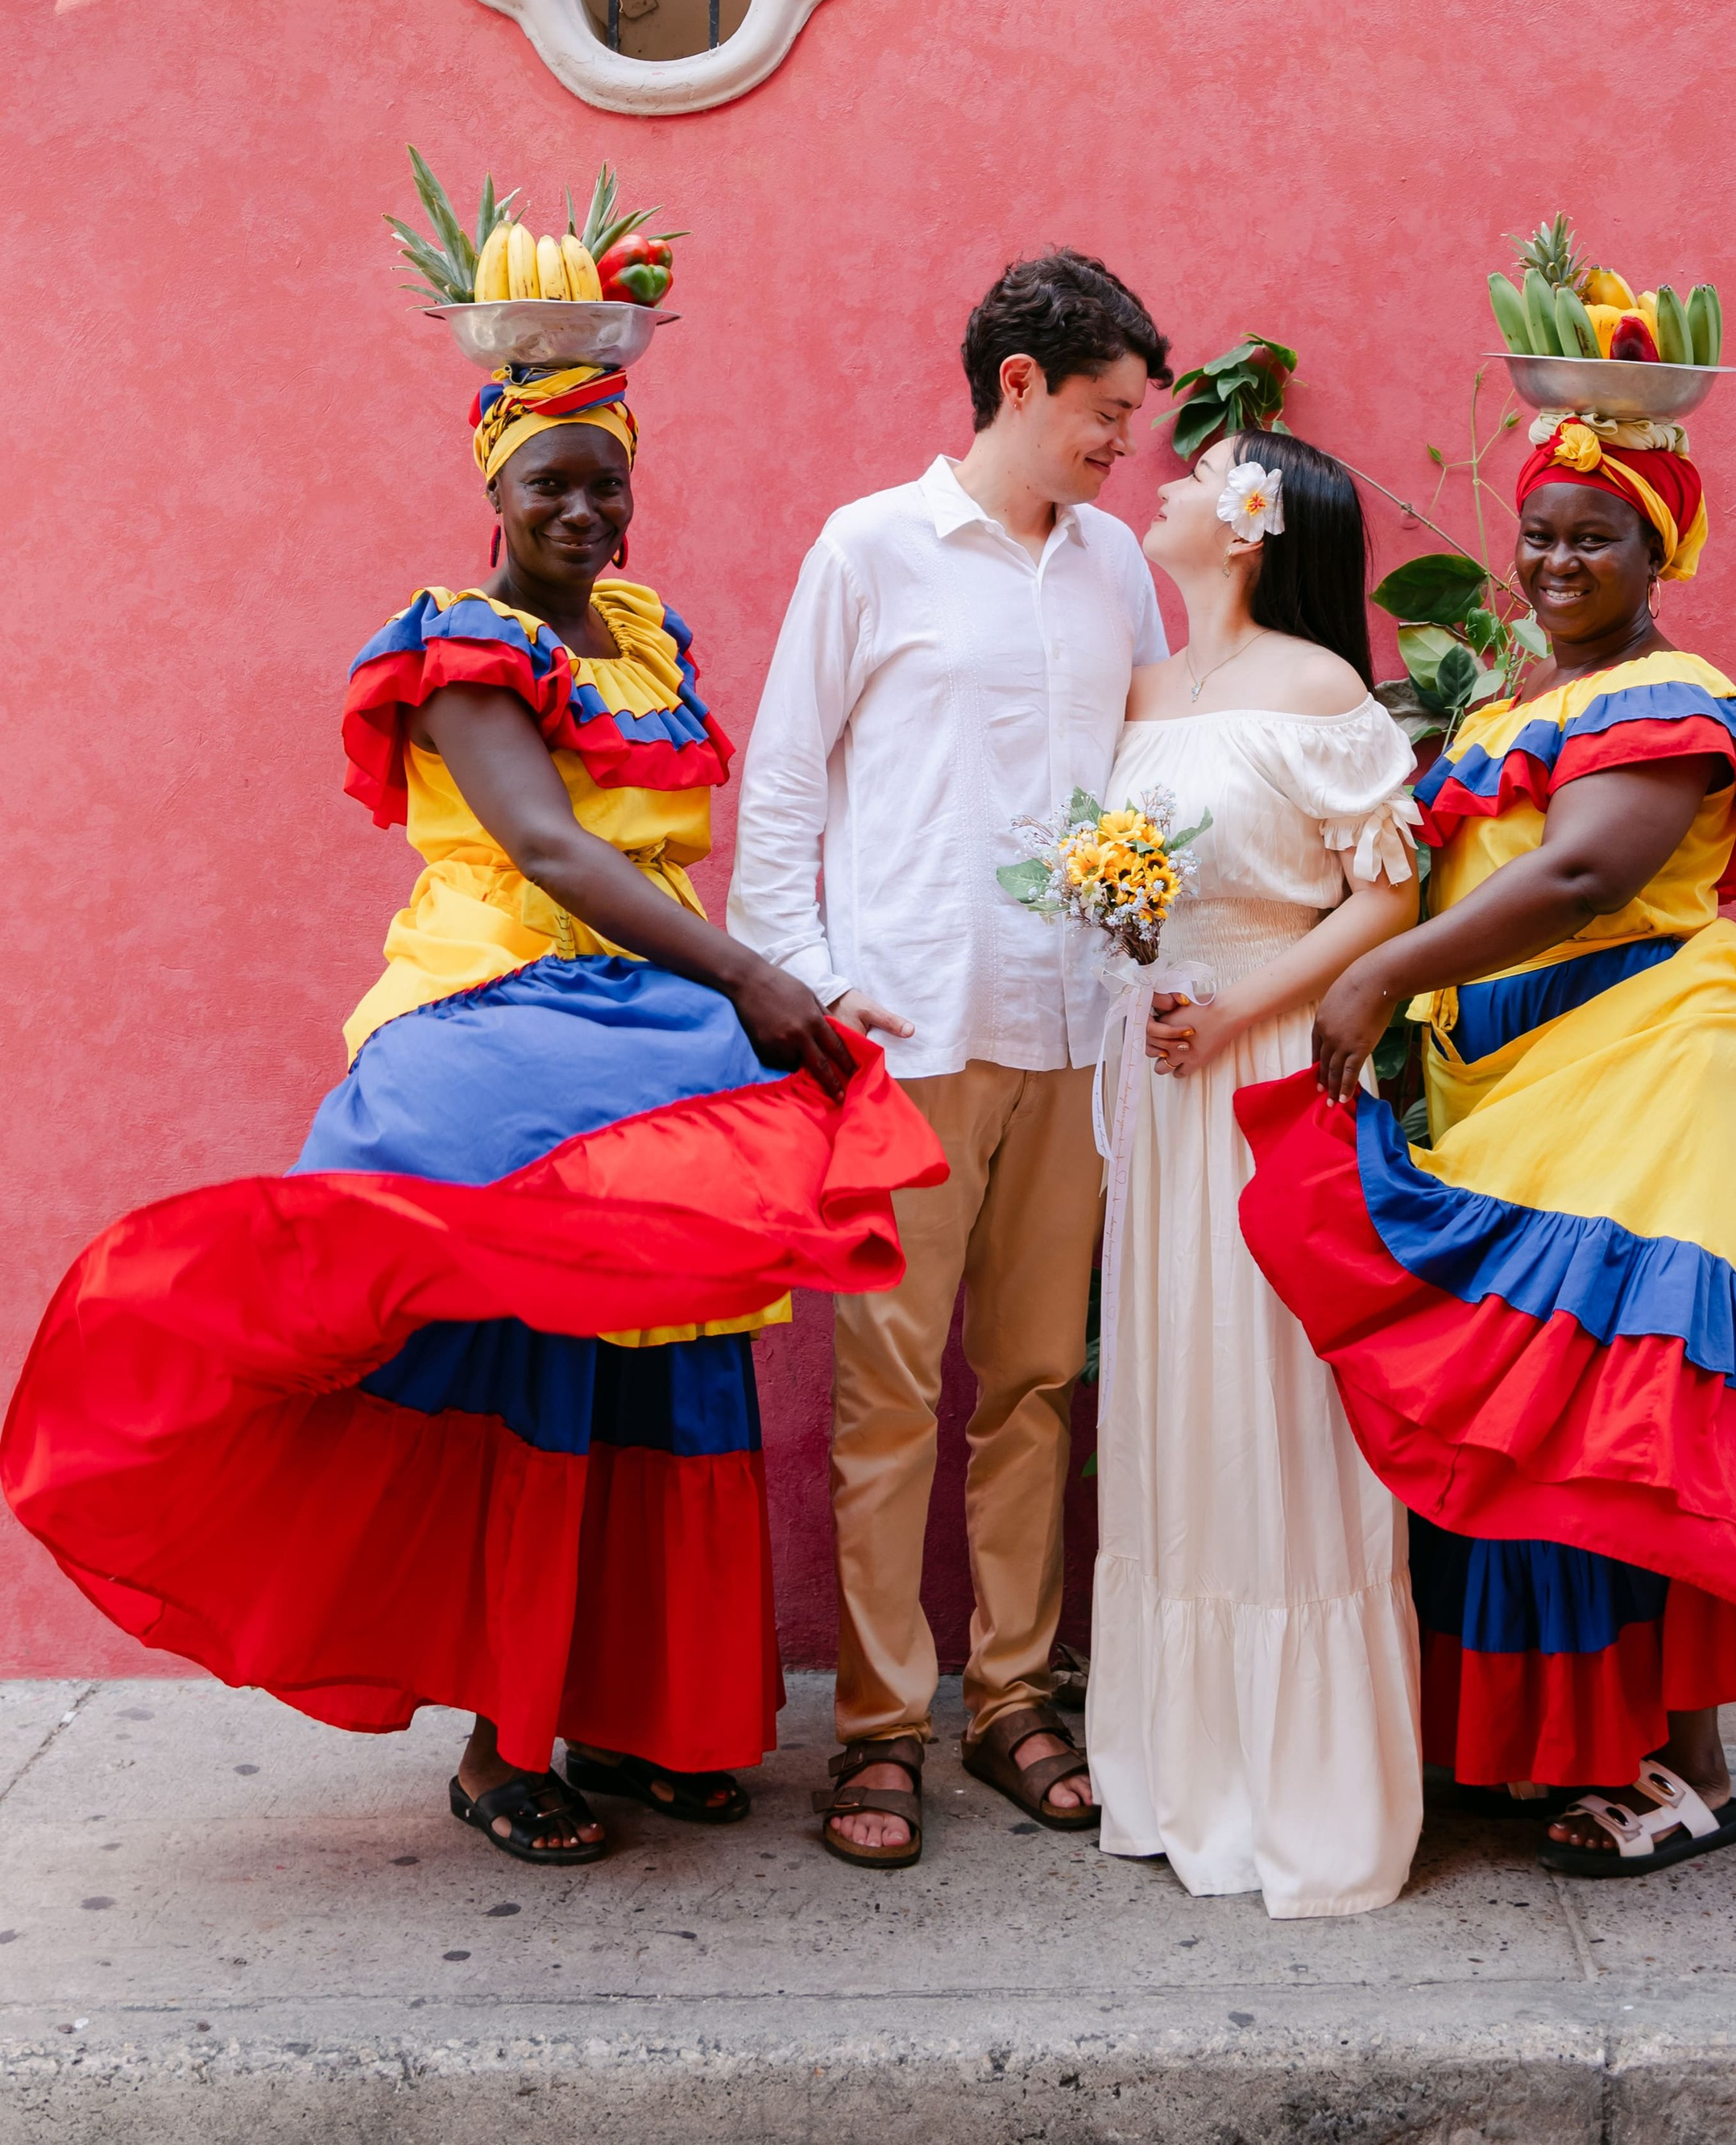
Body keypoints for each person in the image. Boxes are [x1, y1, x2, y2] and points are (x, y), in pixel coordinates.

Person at [2, 357, 943, 1868]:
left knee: (674, 1363)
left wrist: (742, 996)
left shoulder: (645, 638)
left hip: (663, 1022)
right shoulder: (456, 647)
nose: (581, 506)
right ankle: (503, 1742)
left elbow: (650, 854)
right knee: (539, 1368)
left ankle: (641, 1715)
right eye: (548, 481)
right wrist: (764, 982)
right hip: (505, 1017)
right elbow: (555, 851)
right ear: (492, 492)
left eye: (605, 479)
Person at [1237, 413, 1736, 1882]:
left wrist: (1379, 976)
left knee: (1638, 1427)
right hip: (1525, 1093)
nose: (1558, 558)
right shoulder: (1509, 709)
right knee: (1543, 1428)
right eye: (1543, 531)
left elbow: (1587, 872)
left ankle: (1693, 1772)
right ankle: (1576, 1743)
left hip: (1655, 1077)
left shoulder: (1671, 694)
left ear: (1661, 551)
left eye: (1597, 535)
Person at [729, 251, 1171, 1868]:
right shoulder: (871, 549)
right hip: (907, 1029)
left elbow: (1149, 780)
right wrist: (815, 987)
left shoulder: (1117, 562)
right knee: (888, 1395)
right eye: (1105, 414)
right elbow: (782, 785)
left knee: (1040, 1379)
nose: (1122, 444)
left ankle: (1008, 1695)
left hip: (1072, 1028)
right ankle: (874, 1724)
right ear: (1016, 387)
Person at [1087, 430, 1427, 1916]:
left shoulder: (1319, 685)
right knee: (1171, 1408)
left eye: (1194, 472)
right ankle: (1182, 1764)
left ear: (1248, 523)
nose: (1155, 482)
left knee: (1274, 1408)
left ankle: (1305, 1787)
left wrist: (1238, 1004)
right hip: (1156, 1086)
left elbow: (1391, 888)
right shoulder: (1145, 689)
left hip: (1268, 1073)